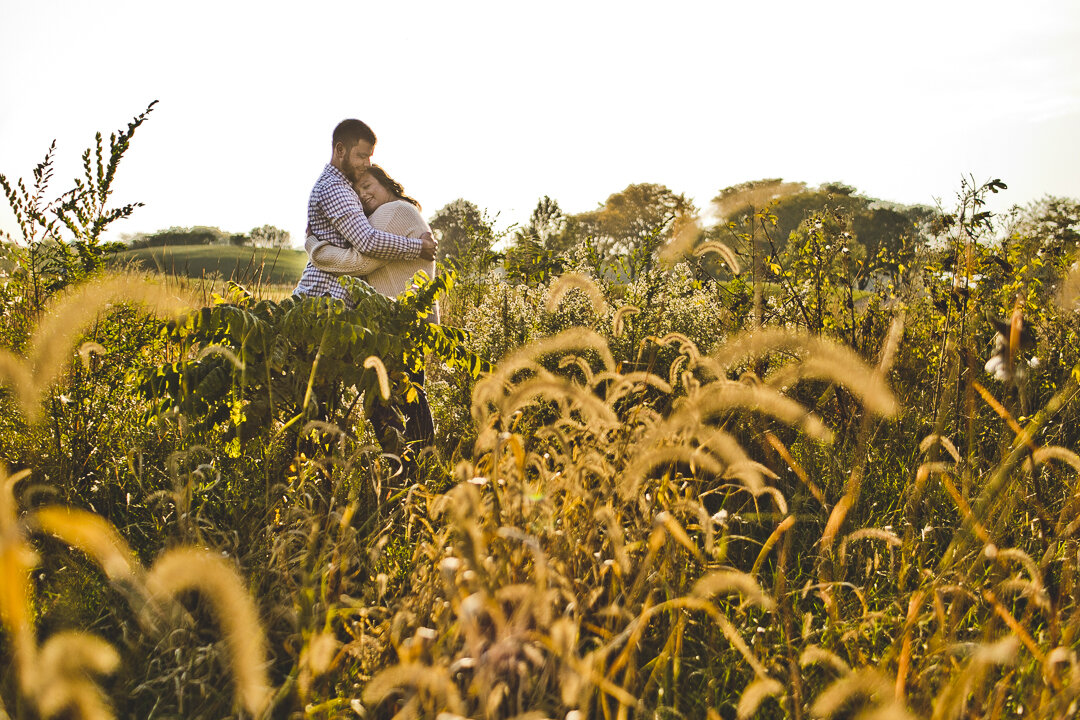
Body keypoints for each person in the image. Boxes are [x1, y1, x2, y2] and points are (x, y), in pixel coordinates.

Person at [294, 119, 436, 305]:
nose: (367, 163)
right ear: (340, 150)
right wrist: (418, 247)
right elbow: (367, 242)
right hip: (323, 296)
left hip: (330, 299)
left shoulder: (349, 190)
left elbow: (362, 253)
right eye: (361, 156)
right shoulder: (335, 189)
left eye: (369, 156)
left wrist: (312, 245)